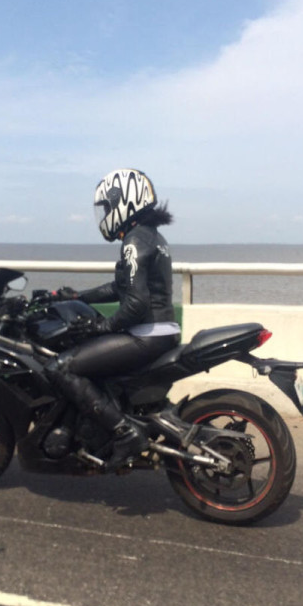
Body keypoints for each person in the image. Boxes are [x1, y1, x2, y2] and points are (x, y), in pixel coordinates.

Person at [45, 168, 181, 471]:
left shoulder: (134, 241)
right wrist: (78, 297)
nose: (105, 214)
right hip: (162, 330)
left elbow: (135, 304)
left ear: (126, 202)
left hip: (146, 333)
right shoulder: (151, 237)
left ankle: (125, 433)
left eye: (107, 207)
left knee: (60, 367)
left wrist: (100, 326)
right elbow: (121, 287)